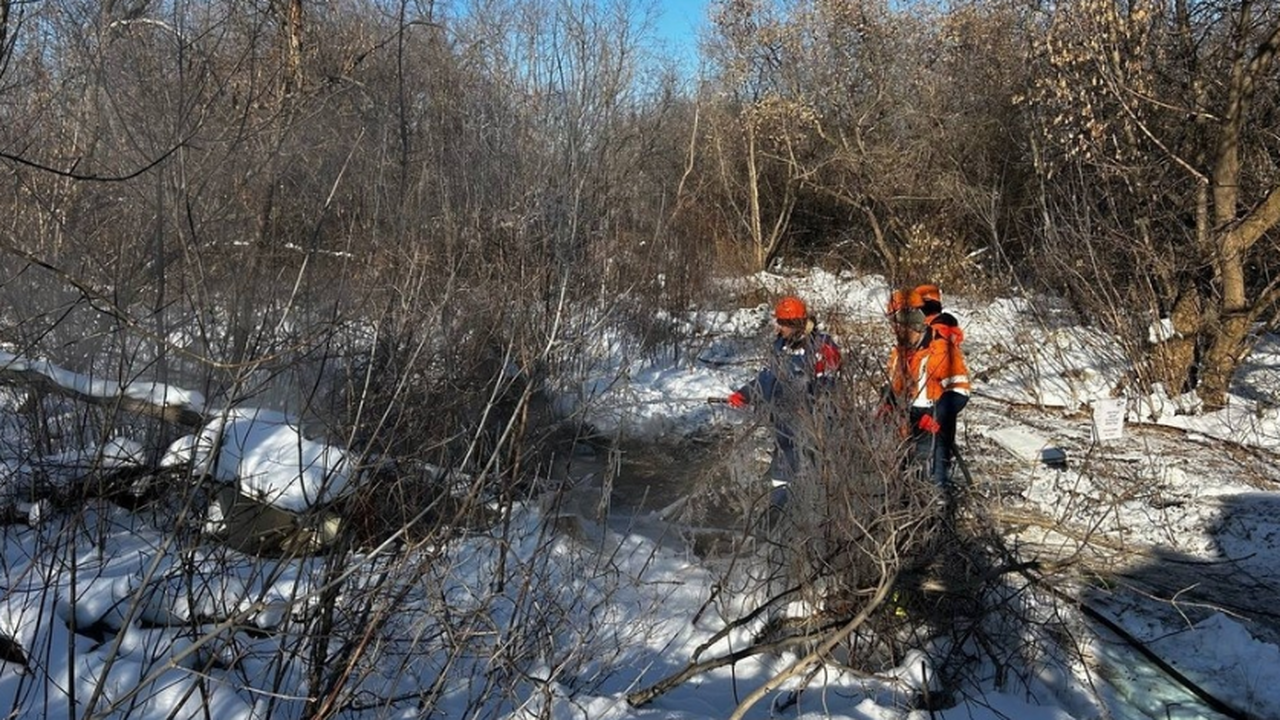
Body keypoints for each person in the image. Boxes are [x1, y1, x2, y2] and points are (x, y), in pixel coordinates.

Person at [720, 295, 841, 509]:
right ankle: (780, 511)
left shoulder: (821, 348)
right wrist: (745, 394)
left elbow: (829, 388)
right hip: (784, 423)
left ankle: (813, 513)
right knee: (781, 472)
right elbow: (768, 378)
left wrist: (818, 417)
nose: (778, 328)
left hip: (811, 426)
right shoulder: (781, 345)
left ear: (796, 324)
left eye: (783, 324)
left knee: (812, 471)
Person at [882, 289, 971, 498]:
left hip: (931, 424)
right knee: (904, 481)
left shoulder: (940, 350)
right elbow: (896, 386)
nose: (893, 329)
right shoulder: (900, 352)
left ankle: (937, 521)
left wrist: (936, 416)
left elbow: (960, 390)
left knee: (931, 483)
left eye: (897, 323)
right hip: (905, 424)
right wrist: (888, 402)